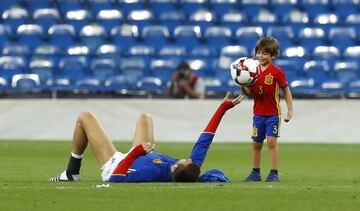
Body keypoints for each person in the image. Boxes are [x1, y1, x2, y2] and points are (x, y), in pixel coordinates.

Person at [49, 92, 244, 183]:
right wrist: (222, 109)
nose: (186, 158)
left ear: (175, 168)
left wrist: (135, 152)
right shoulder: (189, 167)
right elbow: (205, 139)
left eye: (183, 161)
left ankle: (71, 173)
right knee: (145, 118)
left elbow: (117, 179)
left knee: (85, 117)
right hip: (139, 156)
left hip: (117, 164)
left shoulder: (150, 171)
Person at [240, 37, 293, 182]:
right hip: (258, 114)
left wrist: (290, 110)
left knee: (271, 142)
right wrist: (241, 84)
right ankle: (255, 173)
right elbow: (249, 93)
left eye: (264, 53)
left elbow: (286, 90)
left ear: (273, 55)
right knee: (256, 143)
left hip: (273, 114)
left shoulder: (277, 72)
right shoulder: (252, 72)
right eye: (258, 52)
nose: (260, 56)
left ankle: (274, 173)